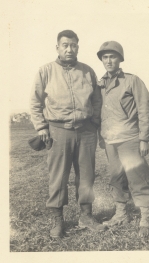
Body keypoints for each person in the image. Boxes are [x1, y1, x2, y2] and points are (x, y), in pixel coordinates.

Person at [30, 30, 106, 238]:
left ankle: (86, 216)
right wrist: (41, 127)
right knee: (58, 177)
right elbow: (35, 102)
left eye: (73, 45)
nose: (69, 49)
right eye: (65, 45)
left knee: (87, 175)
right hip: (58, 131)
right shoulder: (45, 71)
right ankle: (58, 220)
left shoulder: (88, 71)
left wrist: (96, 123)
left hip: (86, 131)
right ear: (57, 47)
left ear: (78, 47)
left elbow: (97, 101)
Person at [97, 41, 149, 237]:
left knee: (137, 177)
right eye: (105, 57)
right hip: (110, 141)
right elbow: (100, 113)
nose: (108, 60)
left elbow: (145, 109)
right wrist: (101, 137)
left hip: (130, 138)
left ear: (120, 59)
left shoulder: (132, 81)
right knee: (116, 177)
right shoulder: (101, 84)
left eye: (112, 56)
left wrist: (144, 138)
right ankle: (121, 214)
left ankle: (145, 218)